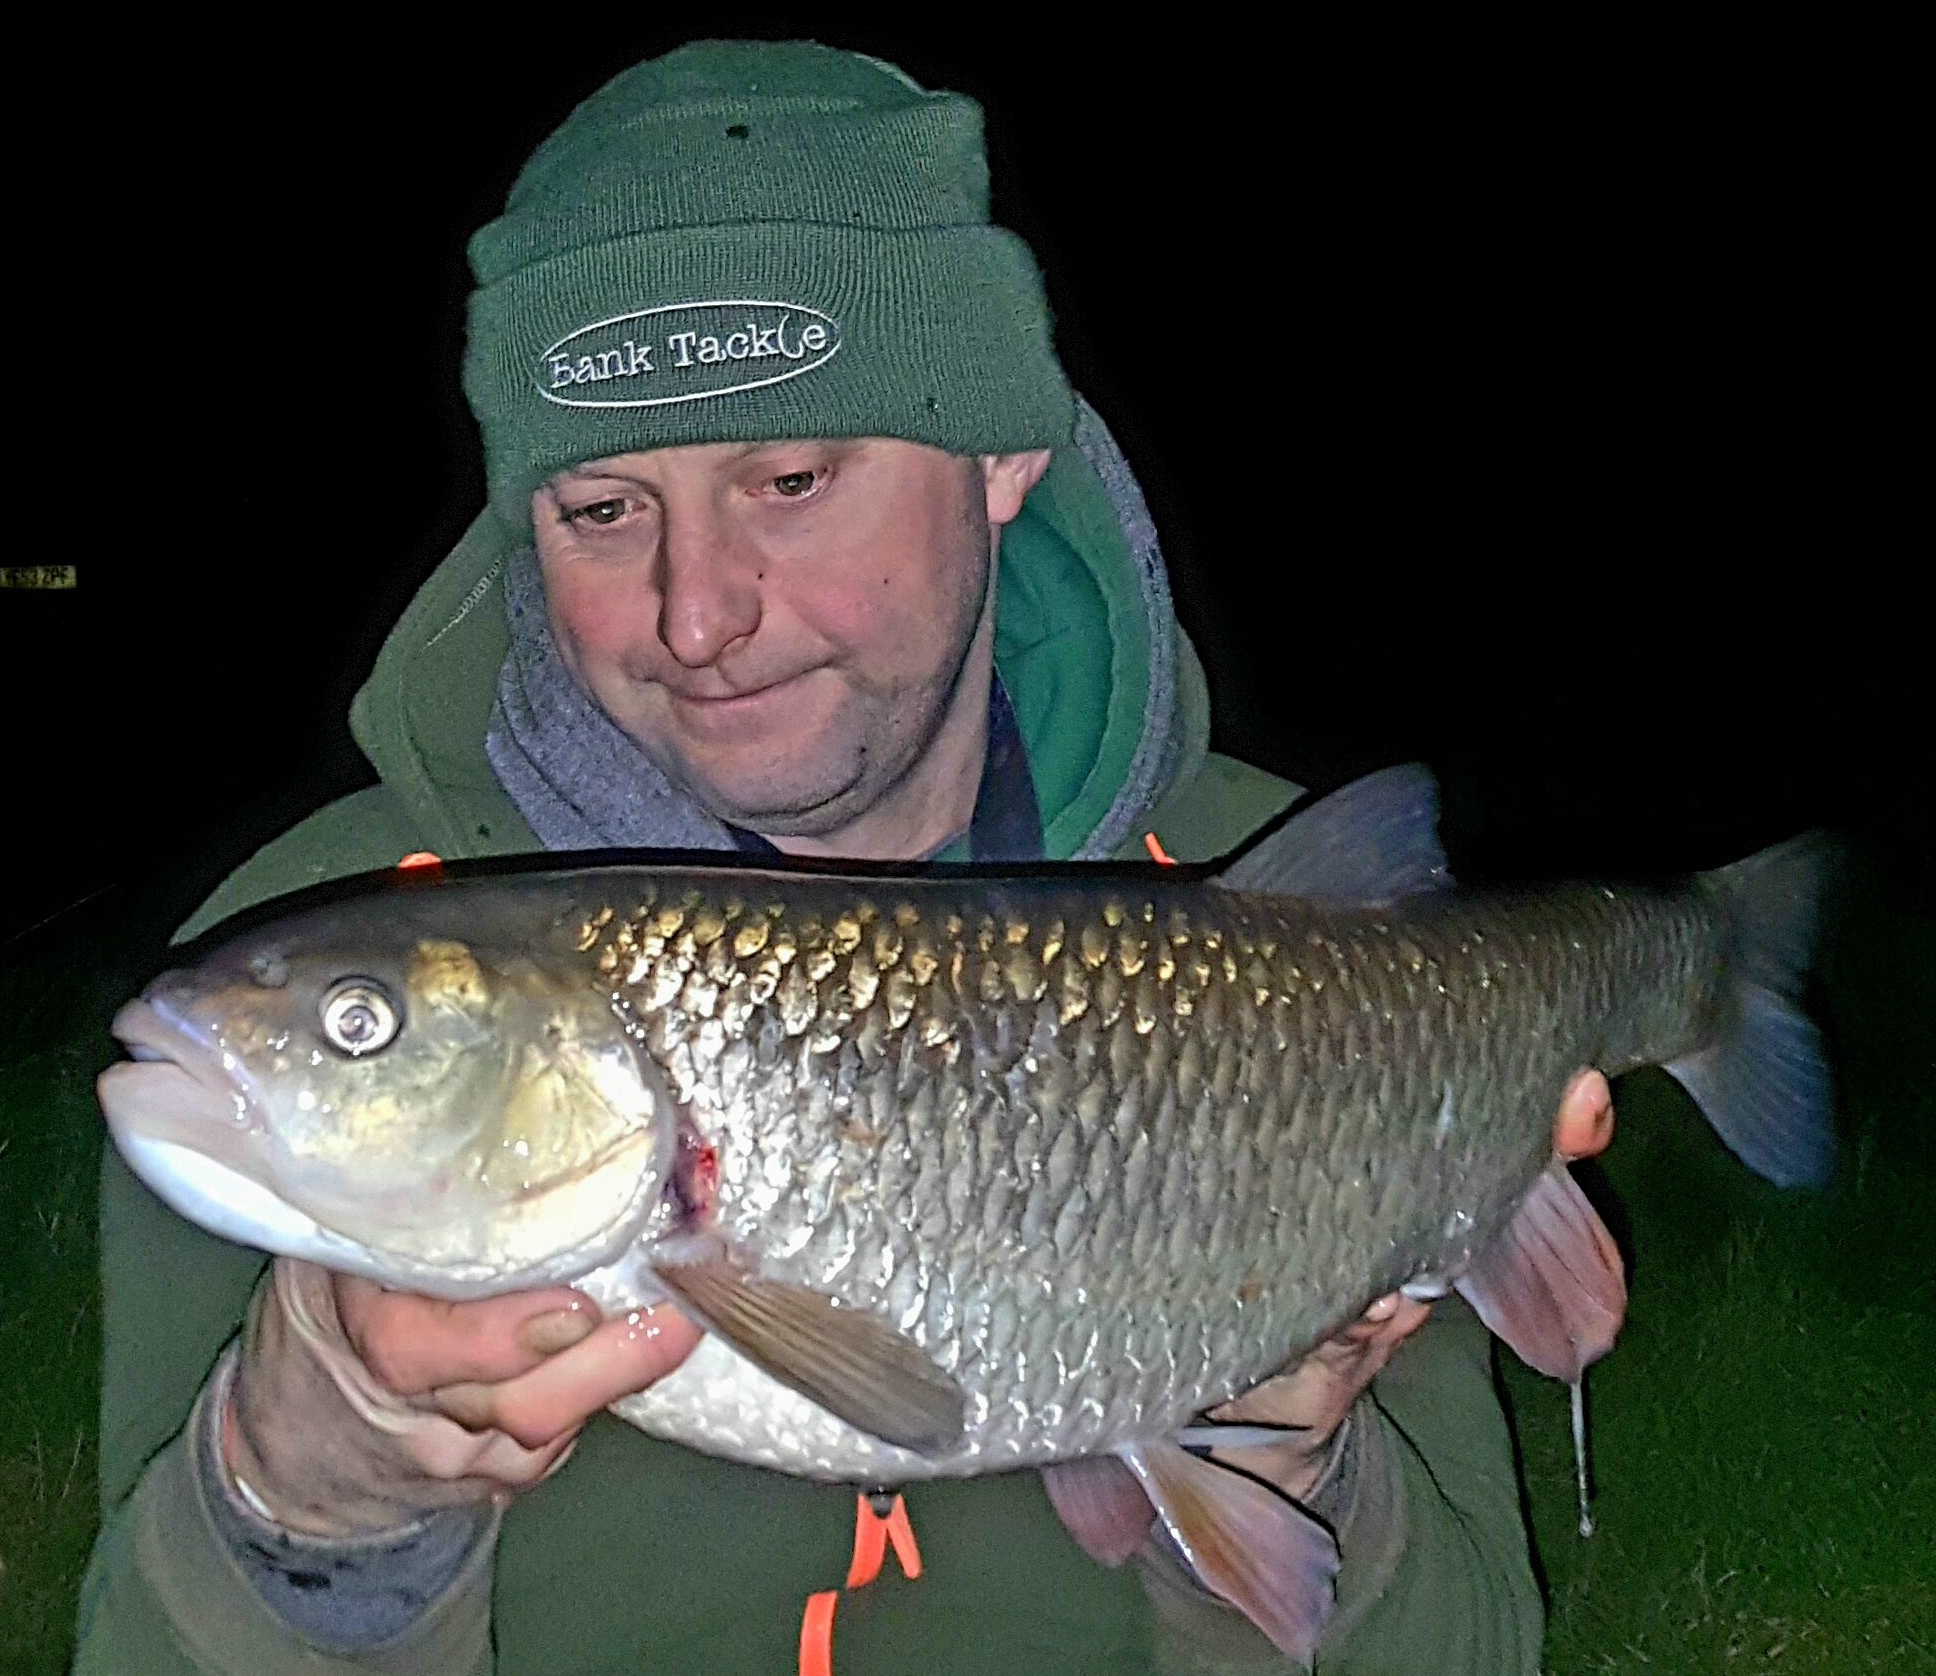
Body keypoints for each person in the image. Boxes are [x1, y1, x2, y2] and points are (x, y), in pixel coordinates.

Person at [76, 40, 1613, 1675]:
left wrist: (1293, 1465)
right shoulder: (319, 955)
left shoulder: (1303, 935)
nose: (696, 611)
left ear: (1001, 459)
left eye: (792, 479)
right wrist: (309, 1504)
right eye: (602, 509)